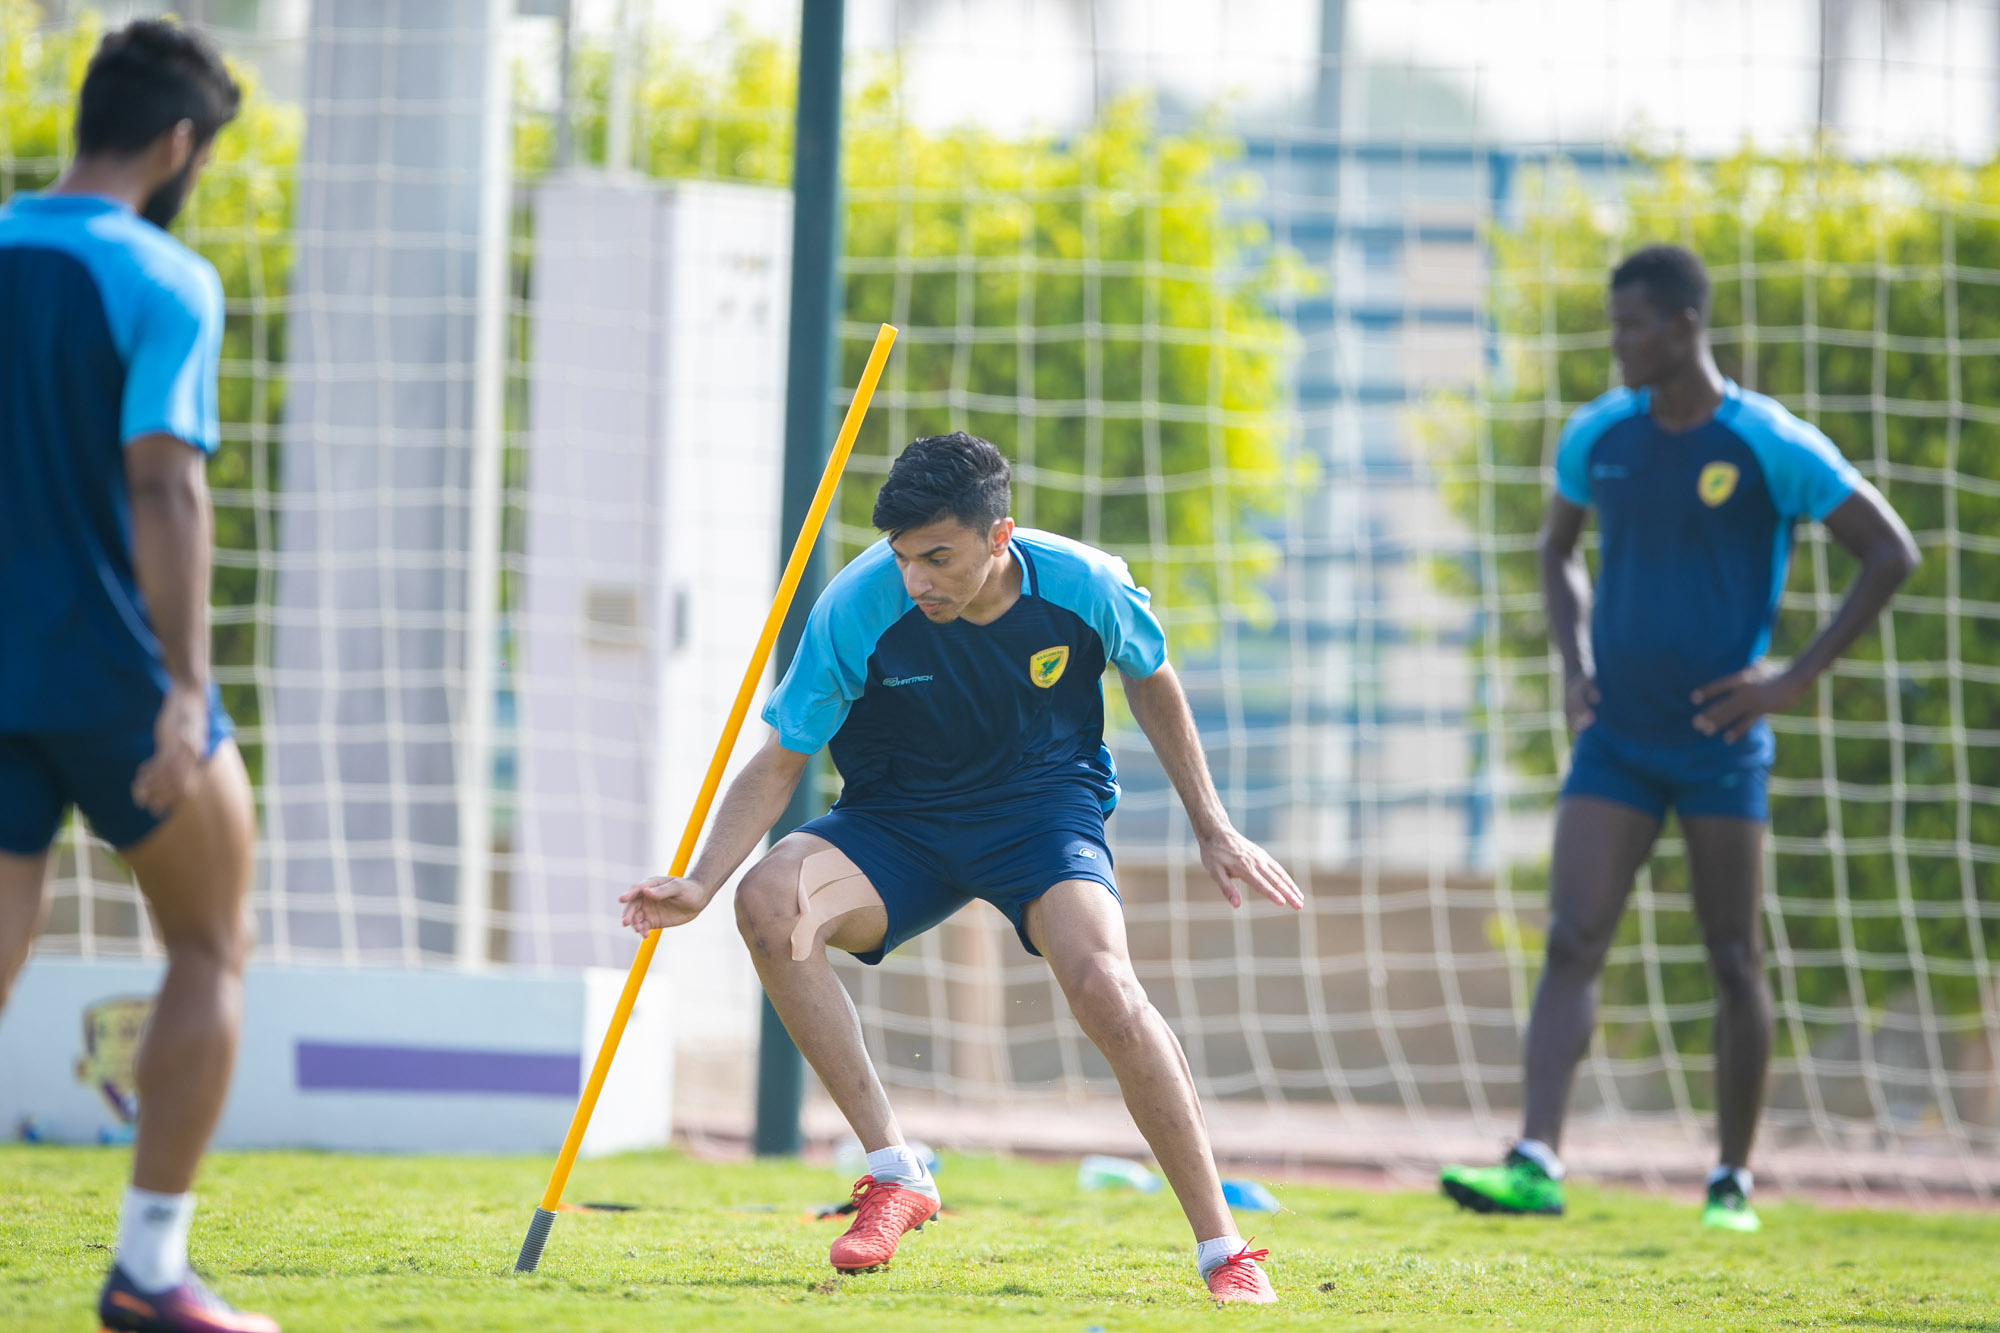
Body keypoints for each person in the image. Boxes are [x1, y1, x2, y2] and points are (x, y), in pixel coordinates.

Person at [621, 432, 1305, 1303]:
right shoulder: (856, 606)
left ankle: (1224, 1249)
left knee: (1105, 985)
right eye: (905, 558)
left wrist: (1212, 824)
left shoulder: (1085, 583)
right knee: (770, 900)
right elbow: (783, 757)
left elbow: (1152, 673)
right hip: (898, 821)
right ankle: (896, 1170)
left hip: (1041, 811)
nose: (917, 580)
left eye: (938, 557)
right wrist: (700, 882)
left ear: (999, 536)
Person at [1439, 245, 1920, 1232]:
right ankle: (1534, 1158)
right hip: (1616, 737)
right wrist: (1574, 660)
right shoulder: (1598, 437)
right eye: (1612, 324)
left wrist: (1792, 678)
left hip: (1716, 742)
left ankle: (1729, 1179)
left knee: (1731, 952)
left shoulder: (1767, 443)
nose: (1615, 343)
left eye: (1630, 326)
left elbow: (1888, 550)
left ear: (1682, 326)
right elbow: (1556, 550)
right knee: (1571, 936)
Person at [0, 21, 277, 1333]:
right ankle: (148, 1274)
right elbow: (165, 481)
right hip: (111, 673)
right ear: (180, 146)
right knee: (210, 942)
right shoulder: (165, 276)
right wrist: (182, 685)